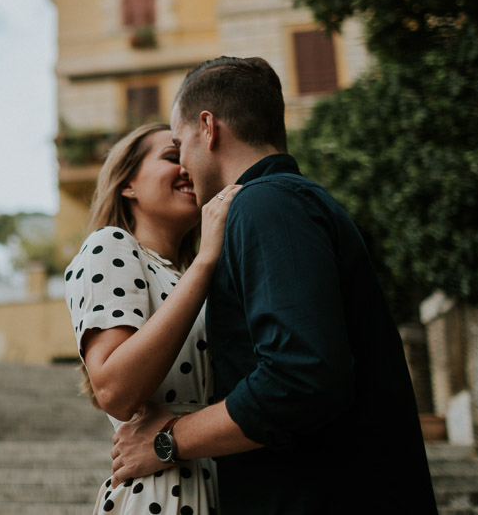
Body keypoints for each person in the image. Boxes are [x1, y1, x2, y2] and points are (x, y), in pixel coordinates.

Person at [110, 57, 437, 514]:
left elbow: (297, 377)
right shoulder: (282, 204)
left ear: (208, 128)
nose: (183, 163)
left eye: (180, 144)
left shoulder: (265, 205)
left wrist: (168, 440)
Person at [64, 122, 240, 515]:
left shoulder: (193, 276)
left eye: (189, 159)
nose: (186, 168)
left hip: (223, 482)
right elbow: (114, 390)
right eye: (171, 157)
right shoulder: (111, 245)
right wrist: (207, 258)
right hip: (161, 492)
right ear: (128, 185)